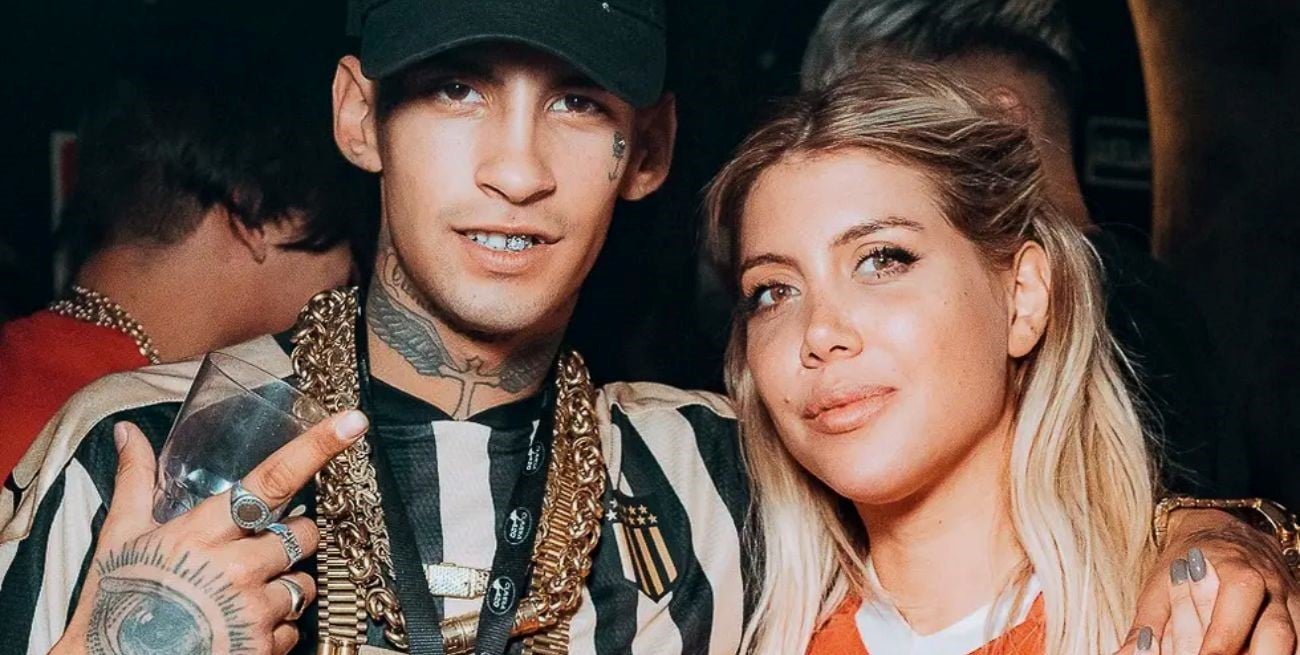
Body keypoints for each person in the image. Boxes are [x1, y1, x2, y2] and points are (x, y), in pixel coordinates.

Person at [0, 2, 1295, 654]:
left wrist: (1224, 530)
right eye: (455, 90)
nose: (515, 169)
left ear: (650, 147)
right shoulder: (136, 447)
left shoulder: (720, 472)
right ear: (356, 115)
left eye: (577, 102)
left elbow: (990, 524)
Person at [703, 62, 1250, 655]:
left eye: (882, 260)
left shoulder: (1196, 625)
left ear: (1022, 297)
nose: (821, 332)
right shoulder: (729, 631)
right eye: (774, 291)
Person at [799, 0, 1246, 499]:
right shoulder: (1153, 301)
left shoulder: (1100, 317)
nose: (861, 159)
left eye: (898, 124)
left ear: (1002, 120)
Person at [0, 29, 367, 480]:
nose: (352, 272)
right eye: (345, 234)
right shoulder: (129, 432)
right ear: (253, 215)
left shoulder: (28, 371)